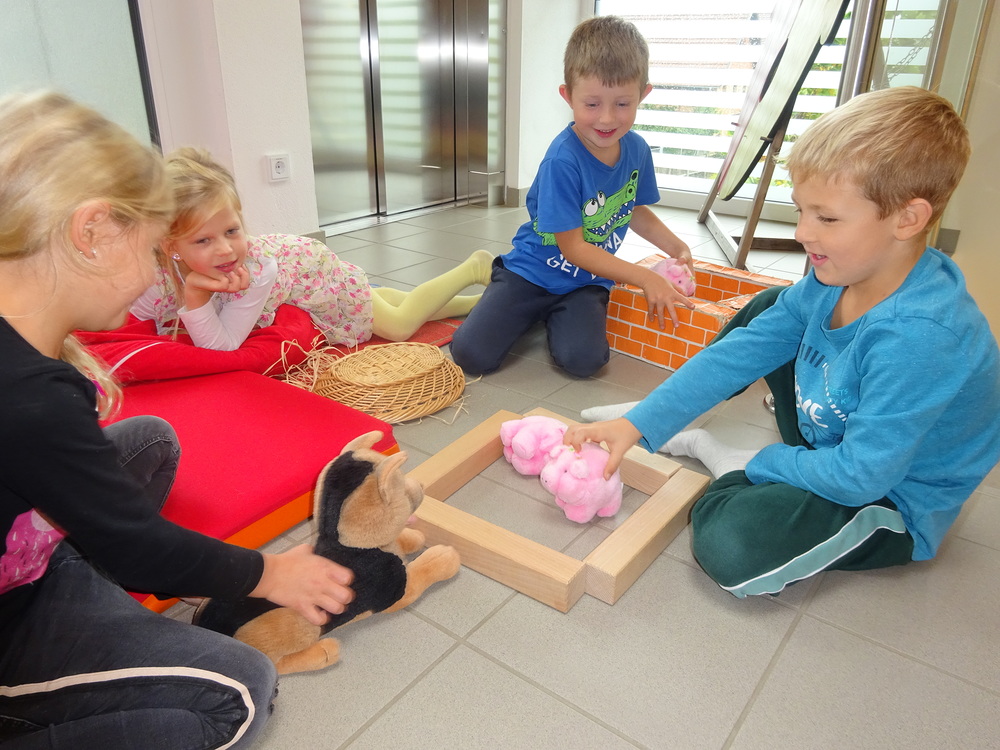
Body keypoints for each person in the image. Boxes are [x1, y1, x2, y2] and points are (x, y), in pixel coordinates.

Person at [0, 91, 355, 748]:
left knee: (149, 440)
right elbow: (136, 544)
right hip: (12, 618)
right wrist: (272, 572)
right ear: (91, 233)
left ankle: (82, 580)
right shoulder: (29, 395)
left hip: (31, 552)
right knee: (240, 692)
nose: (149, 274)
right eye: (147, 247)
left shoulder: (30, 360)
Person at [567, 86, 1000, 598]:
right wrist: (642, 423)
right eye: (800, 210)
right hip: (833, 441)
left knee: (731, 547)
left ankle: (729, 459)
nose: (801, 233)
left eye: (826, 218)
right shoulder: (836, 274)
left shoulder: (923, 337)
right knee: (771, 308)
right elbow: (738, 353)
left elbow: (859, 478)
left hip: (888, 496)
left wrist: (762, 464)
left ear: (908, 218)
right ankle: (678, 425)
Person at [449, 15, 695, 378]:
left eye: (622, 104)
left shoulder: (638, 150)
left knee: (585, 362)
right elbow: (574, 248)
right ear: (568, 96)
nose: (607, 119)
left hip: (586, 282)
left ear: (643, 95)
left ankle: (549, 315)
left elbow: (633, 209)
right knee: (471, 355)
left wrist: (677, 247)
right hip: (530, 274)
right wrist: (645, 278)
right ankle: (517, 303)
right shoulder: (562, 160)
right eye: (592, 104)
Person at [132, 147, 494, 351]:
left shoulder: (256, 269)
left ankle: (473, 268)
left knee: (397, 326)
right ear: (170, 246)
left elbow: (222, 347)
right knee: (382, 300)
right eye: (203, 240)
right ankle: (478, 304)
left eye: (232, 231)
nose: (226, 250)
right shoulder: (153, 273)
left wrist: (195, 295)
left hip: (308, 270)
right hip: (295, 264)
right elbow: (138, 321)